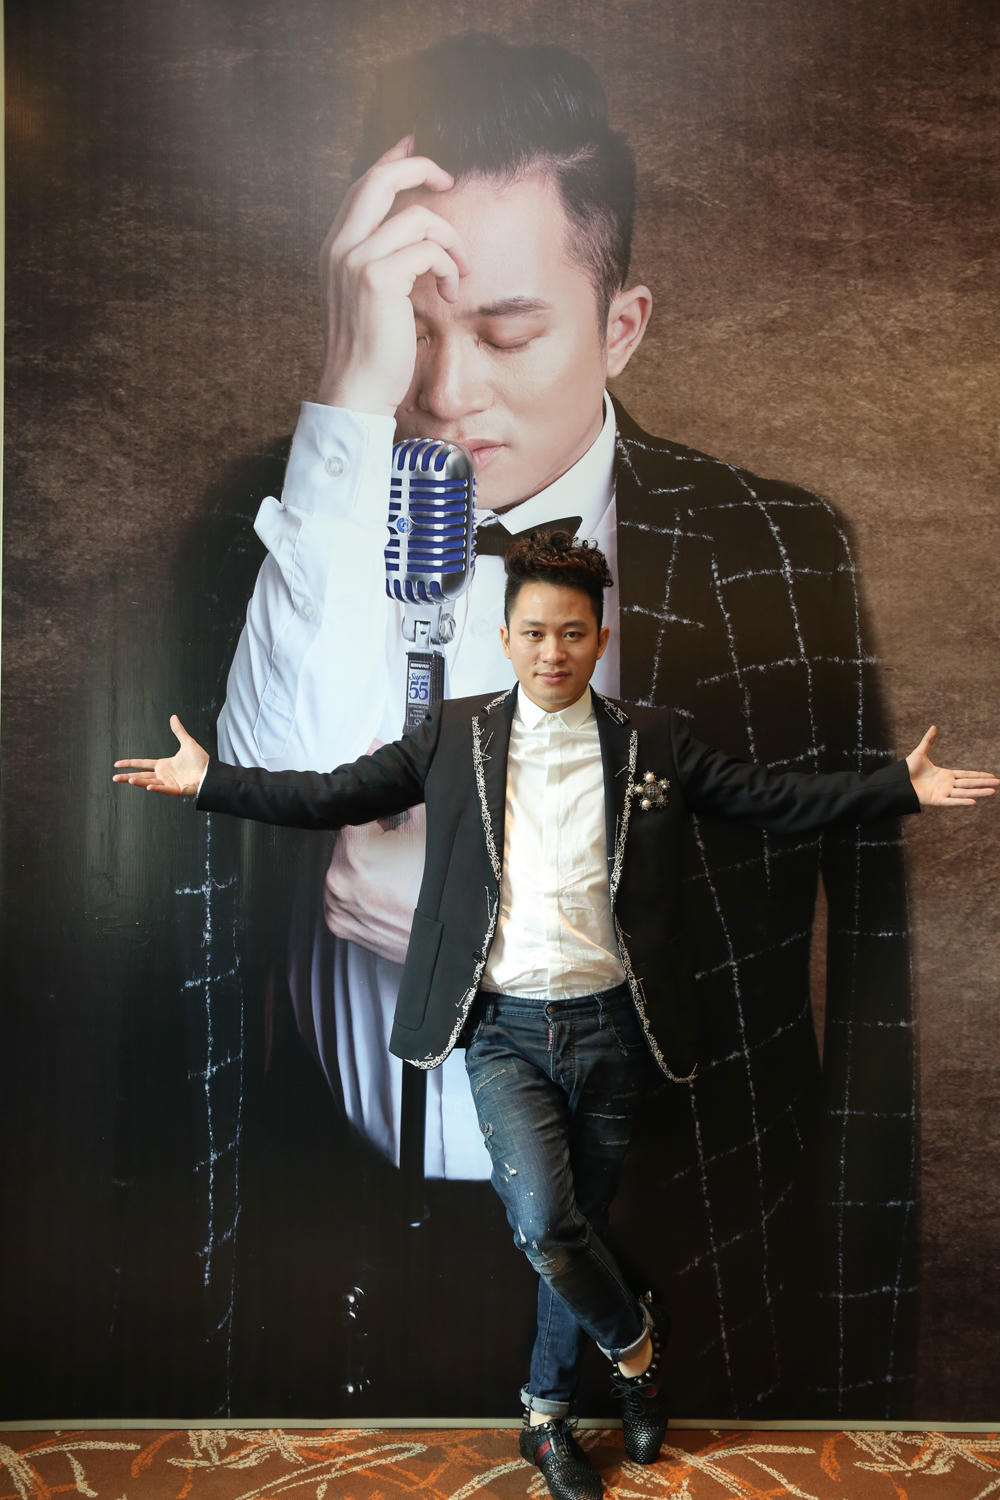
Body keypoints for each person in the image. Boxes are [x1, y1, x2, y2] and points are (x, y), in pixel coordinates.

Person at [217, 32, 917, 1417]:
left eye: (506, 332)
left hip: (665, 1239)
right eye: (414, 324)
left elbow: (837, 955)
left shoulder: (778, 551)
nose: (447, 389)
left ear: (622, 325)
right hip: (328, 1239)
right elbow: (258, 796)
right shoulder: (287, 508)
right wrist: (347, 402)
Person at [115, 531, 996, 1500]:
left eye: (572, 633)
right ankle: (638, 1352)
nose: (552, 651)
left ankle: (544, 1419)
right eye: (534, 632)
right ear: (504, 637)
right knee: (544, 1222)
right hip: (502, 1032)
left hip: (614, 1026)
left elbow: (767, 798)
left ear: (599, 637)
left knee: (574, 1229)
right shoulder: (454, 735)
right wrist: (211, 781)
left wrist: (897, 787)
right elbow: (334, 795)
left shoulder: (651, 739)